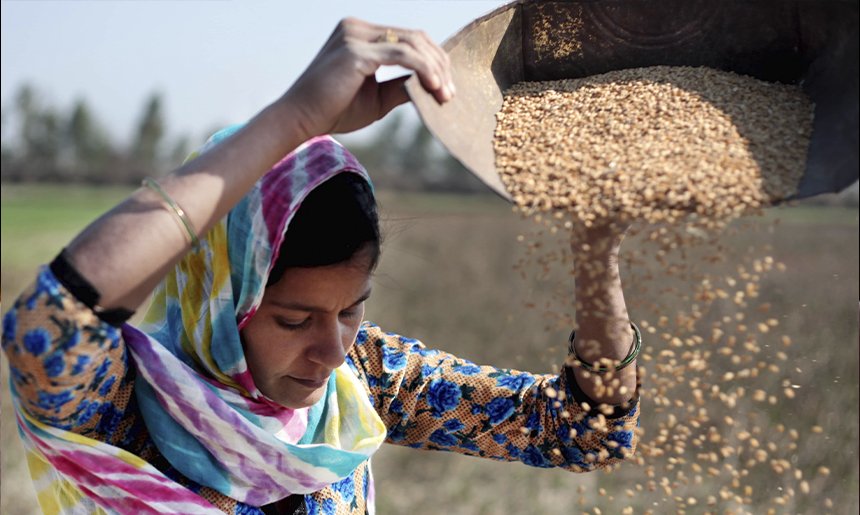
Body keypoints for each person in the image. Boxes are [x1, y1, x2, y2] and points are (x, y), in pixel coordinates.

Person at [1, 18, 641, 515]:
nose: (331, 351)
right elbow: (47, 328)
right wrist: (295, 119)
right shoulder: (126, 406)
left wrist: (597, 263)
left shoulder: (361, 384)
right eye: (294, 319)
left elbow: (582, 432)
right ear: (223, 301)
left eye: (351, 309)